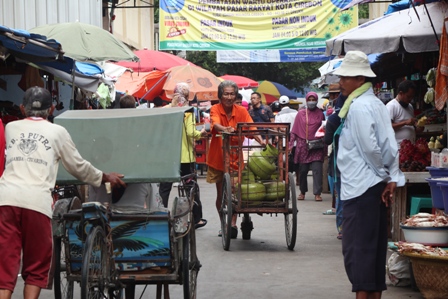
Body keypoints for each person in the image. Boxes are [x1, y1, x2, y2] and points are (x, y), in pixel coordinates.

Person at [0, 86, 125, 299]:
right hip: (36, 202)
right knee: (37, 264)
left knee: (5, 262)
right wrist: (105, 177)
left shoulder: (11, 127)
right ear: (50, 111)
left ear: (22, 108)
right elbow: (78, 166)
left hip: (6, 199)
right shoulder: (58, 132)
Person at [333, 50, 404, 298]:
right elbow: (389, 145)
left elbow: (371, 148)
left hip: (362, 187)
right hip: (370, 186)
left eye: (346, 77)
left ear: (360, 79)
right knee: (372, 251)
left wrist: (386, 177)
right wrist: (390, 177)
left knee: (357, 252)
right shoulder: (374, 103)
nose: (341, 82)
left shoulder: (361, 107)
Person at [206, 80, 264, 238]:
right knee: (221, 193)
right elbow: (215, 124)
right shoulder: (215, 109)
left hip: (236, 158)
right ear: (220, 95)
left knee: (234, 191)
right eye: (226, 93)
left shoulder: (241, 111)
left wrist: (261, 141)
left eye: (232, 94)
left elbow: (251, 128)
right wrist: (225, 129)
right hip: (218, 158)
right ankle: (223, 223)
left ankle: (232, 224)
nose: (229, 97)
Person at [88, 95, 161, 211]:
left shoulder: (110, 126)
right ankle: (154, 214)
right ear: (134, 107)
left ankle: (93, 211)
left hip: (107, 187)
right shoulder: (141, 127)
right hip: (135, 186)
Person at [158, 83, 208, 229]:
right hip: (184, 157)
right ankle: (197, 218)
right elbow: (191, 132)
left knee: (164, 188)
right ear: (187, 96)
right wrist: (201, 133)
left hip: (168, 155)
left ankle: (160, 216)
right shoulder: (187, 110)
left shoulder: (165, 110)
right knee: (191, 187)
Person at [289, 91, 326, 201]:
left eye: (313, 99)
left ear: (316, 100)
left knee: (317, 170)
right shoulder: (300, 114)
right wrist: (291, 144)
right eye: (309, 100)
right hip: (303, 145)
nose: (311, 102)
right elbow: (294, 130)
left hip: (317, 146)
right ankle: (302, 192)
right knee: (303, 170)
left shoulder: (320, 113)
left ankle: (317, 193)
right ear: (306, 100)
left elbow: (323, 128)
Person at [323, 82, 345, 239]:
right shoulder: (356, 114)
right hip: (359, 164)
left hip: (339, 162)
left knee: (341, 195)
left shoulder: (332, 119)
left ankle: (343, 229)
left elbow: (327, 140)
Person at [386, 80, 421, 147]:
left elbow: (412, 126)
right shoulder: (391, 106)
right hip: (397, 149)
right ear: (401, 93)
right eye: (408, 96)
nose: (410, 99)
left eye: (412, 97)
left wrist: (419, 127)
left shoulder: (410, 106)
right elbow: (387, 127)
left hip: (410, 148)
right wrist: (405, 122)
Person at [275, 95, 299, 183]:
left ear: (280, 105)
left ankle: (284, 177)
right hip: (296, 140)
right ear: (289, 103)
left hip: (284, 141)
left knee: (284, 160)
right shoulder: (296, 112)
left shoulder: (278, 115)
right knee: (296, 159)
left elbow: (277, 128)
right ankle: (298, 179)